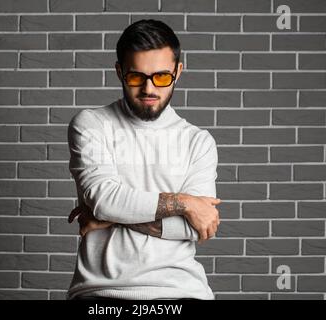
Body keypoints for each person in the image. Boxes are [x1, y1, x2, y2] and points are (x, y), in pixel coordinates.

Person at [66, 19, 221, 300]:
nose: (149, 89)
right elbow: (105, 200)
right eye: (137, 77)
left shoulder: (198, 142)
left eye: (161, 77)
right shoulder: (91, 125)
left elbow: (194, 226)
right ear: (119, 72)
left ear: (178, 72)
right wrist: (184, 203)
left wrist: (109, 218)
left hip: (183, 292)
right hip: (102, 293)